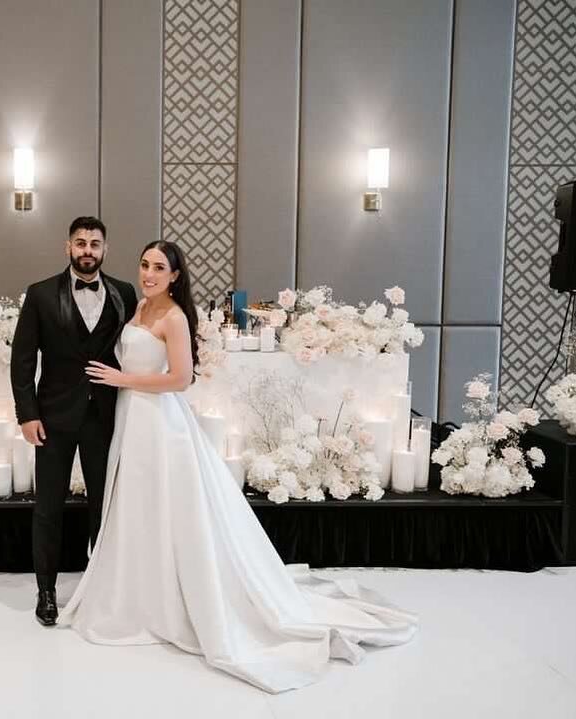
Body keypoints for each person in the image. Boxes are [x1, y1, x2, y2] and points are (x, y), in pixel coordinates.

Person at [58, 240, 418, 693]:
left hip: (160, 424)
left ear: (175, 276)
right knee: (136, 507)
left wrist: (122, 379)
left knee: (169, 508)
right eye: (145, 265)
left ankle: (176, 603)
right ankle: (136, 595)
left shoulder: (171, 317)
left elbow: (181, 379)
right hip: (131, 420)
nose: (149, 273)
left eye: (159, 268)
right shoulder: (138, 309)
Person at [9, 216, 138, 626]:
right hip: (53, 418)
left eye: (95, 244)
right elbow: (23, 360)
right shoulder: (41, 294)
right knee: (48, 507)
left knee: (105, 506)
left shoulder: (124, 293)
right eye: (80, 243)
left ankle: (99, 588)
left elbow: (133, 349)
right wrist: (27, 415)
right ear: (68, 246)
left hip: (104, 415)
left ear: (105, 249)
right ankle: (46, 591)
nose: (87, 250)